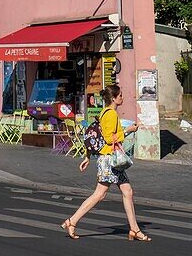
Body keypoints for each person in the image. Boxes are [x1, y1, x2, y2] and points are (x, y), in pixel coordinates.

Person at [62, 83, 150, 242]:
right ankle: (72, 221)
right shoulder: (110, 114)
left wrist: (88, 157)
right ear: (114, 98)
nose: (122, 97)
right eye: (120, 95)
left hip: (111, 159)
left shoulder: (105, 113)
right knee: (99, 194)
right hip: (109, 160)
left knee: (127, 191)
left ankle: (134, 229)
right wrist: (128, 131)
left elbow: (95, 135)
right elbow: (109, 139)